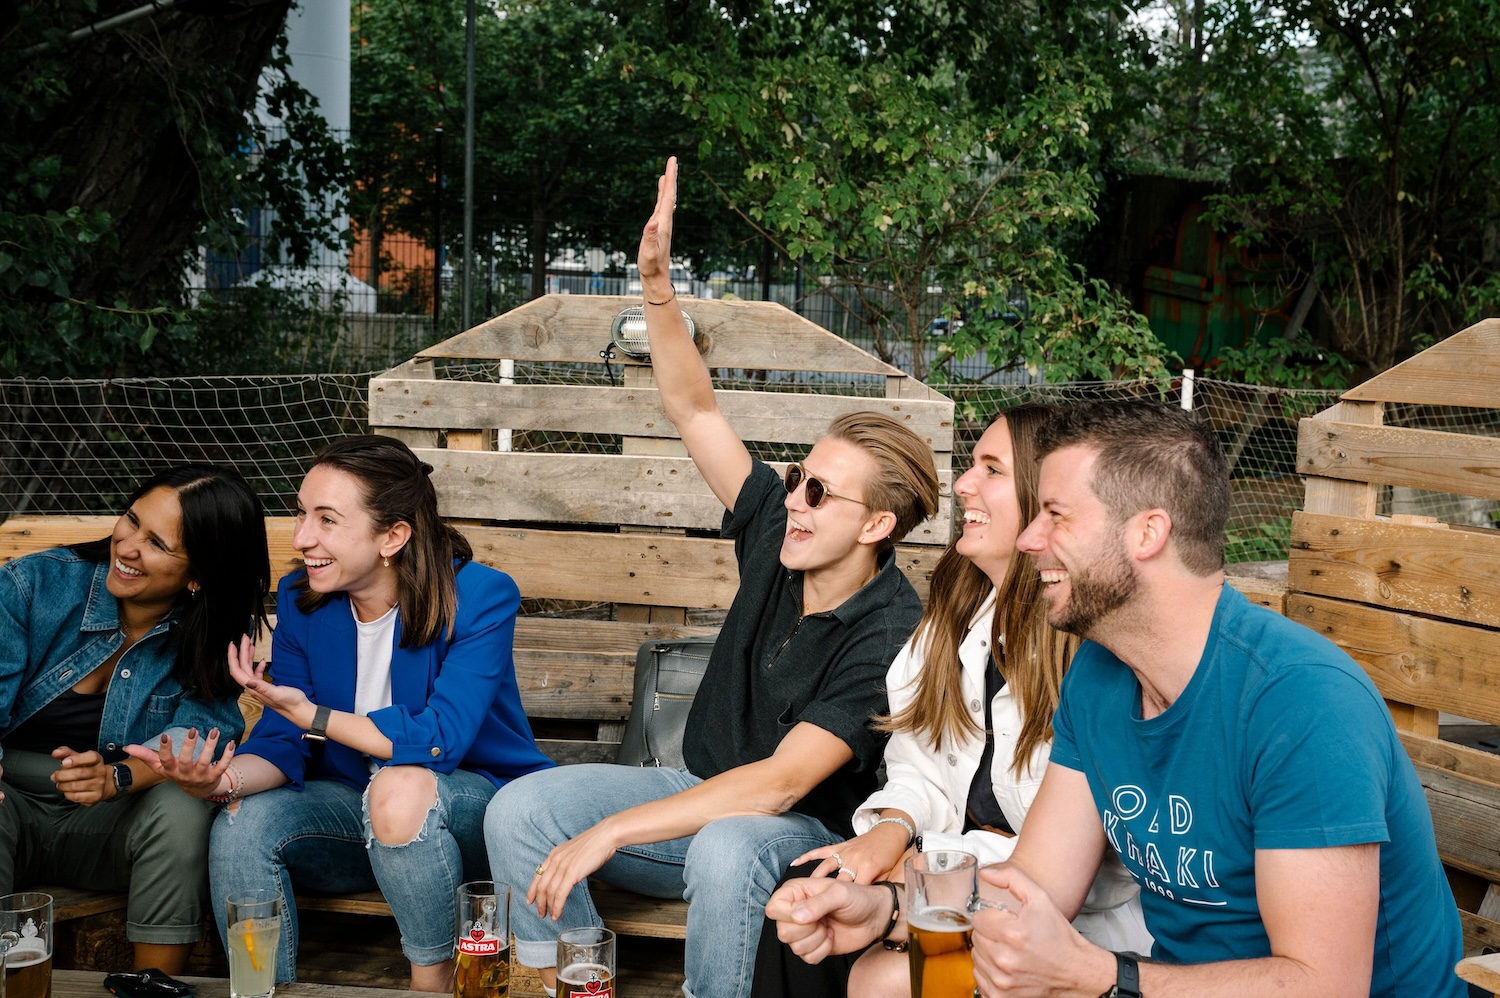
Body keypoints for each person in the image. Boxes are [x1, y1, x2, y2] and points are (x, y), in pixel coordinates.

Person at [761, 400, 1464, 998]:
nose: (1032, 538)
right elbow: (1033, 887)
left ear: (1147, 532)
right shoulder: (1101, 678)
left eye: (1058, 516)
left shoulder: (1301, 705)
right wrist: (885, 908)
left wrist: (1100, 975)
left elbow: (1322, 986)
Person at [483, 155, 942, 998]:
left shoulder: (889, 630)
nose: (795, 500)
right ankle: (578, 982)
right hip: (690, 791)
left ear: (878, 525)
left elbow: (775, 786)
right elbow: (696, 409)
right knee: (522, 810)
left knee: (732, 842)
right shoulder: (781, 530)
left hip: (792, 834)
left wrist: (612, 833)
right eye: (800, 478)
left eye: (820, 493)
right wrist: (658, 290)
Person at [753, 406, 1151, 997]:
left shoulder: (1089, 651)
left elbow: (1083, 866)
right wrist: (893, 828)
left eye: (991, 469)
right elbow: (919, 765)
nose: (963, 484)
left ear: (1050, 502)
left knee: (874, 968)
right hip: (958, 871)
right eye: (970, 465)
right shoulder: (954, 618)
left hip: (1070, 923)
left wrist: (926, 859)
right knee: (811, 892)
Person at [131, 435, 553, 992]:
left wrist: (318, 717)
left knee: (401, 786)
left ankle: (431, 985)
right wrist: (221, 780)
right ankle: (258, 989)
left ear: (393, 536)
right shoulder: (303, 599)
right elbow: (285, 736)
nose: (302, 537)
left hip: (470, 816)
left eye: (327, 520)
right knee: (241, 822)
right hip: (355, 813)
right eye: (301, 513)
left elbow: (439, 741)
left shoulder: (479, 595)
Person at [0, 465, 270, 975]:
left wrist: (115, 776)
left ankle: (152, 984)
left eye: (157, 543)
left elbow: (196, 737)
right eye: (130, 520)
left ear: (198, 575)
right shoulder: (34, 585)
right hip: (10, 796)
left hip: (110, 822)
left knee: (184, 803)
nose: (126, 546)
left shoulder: (214, 635)